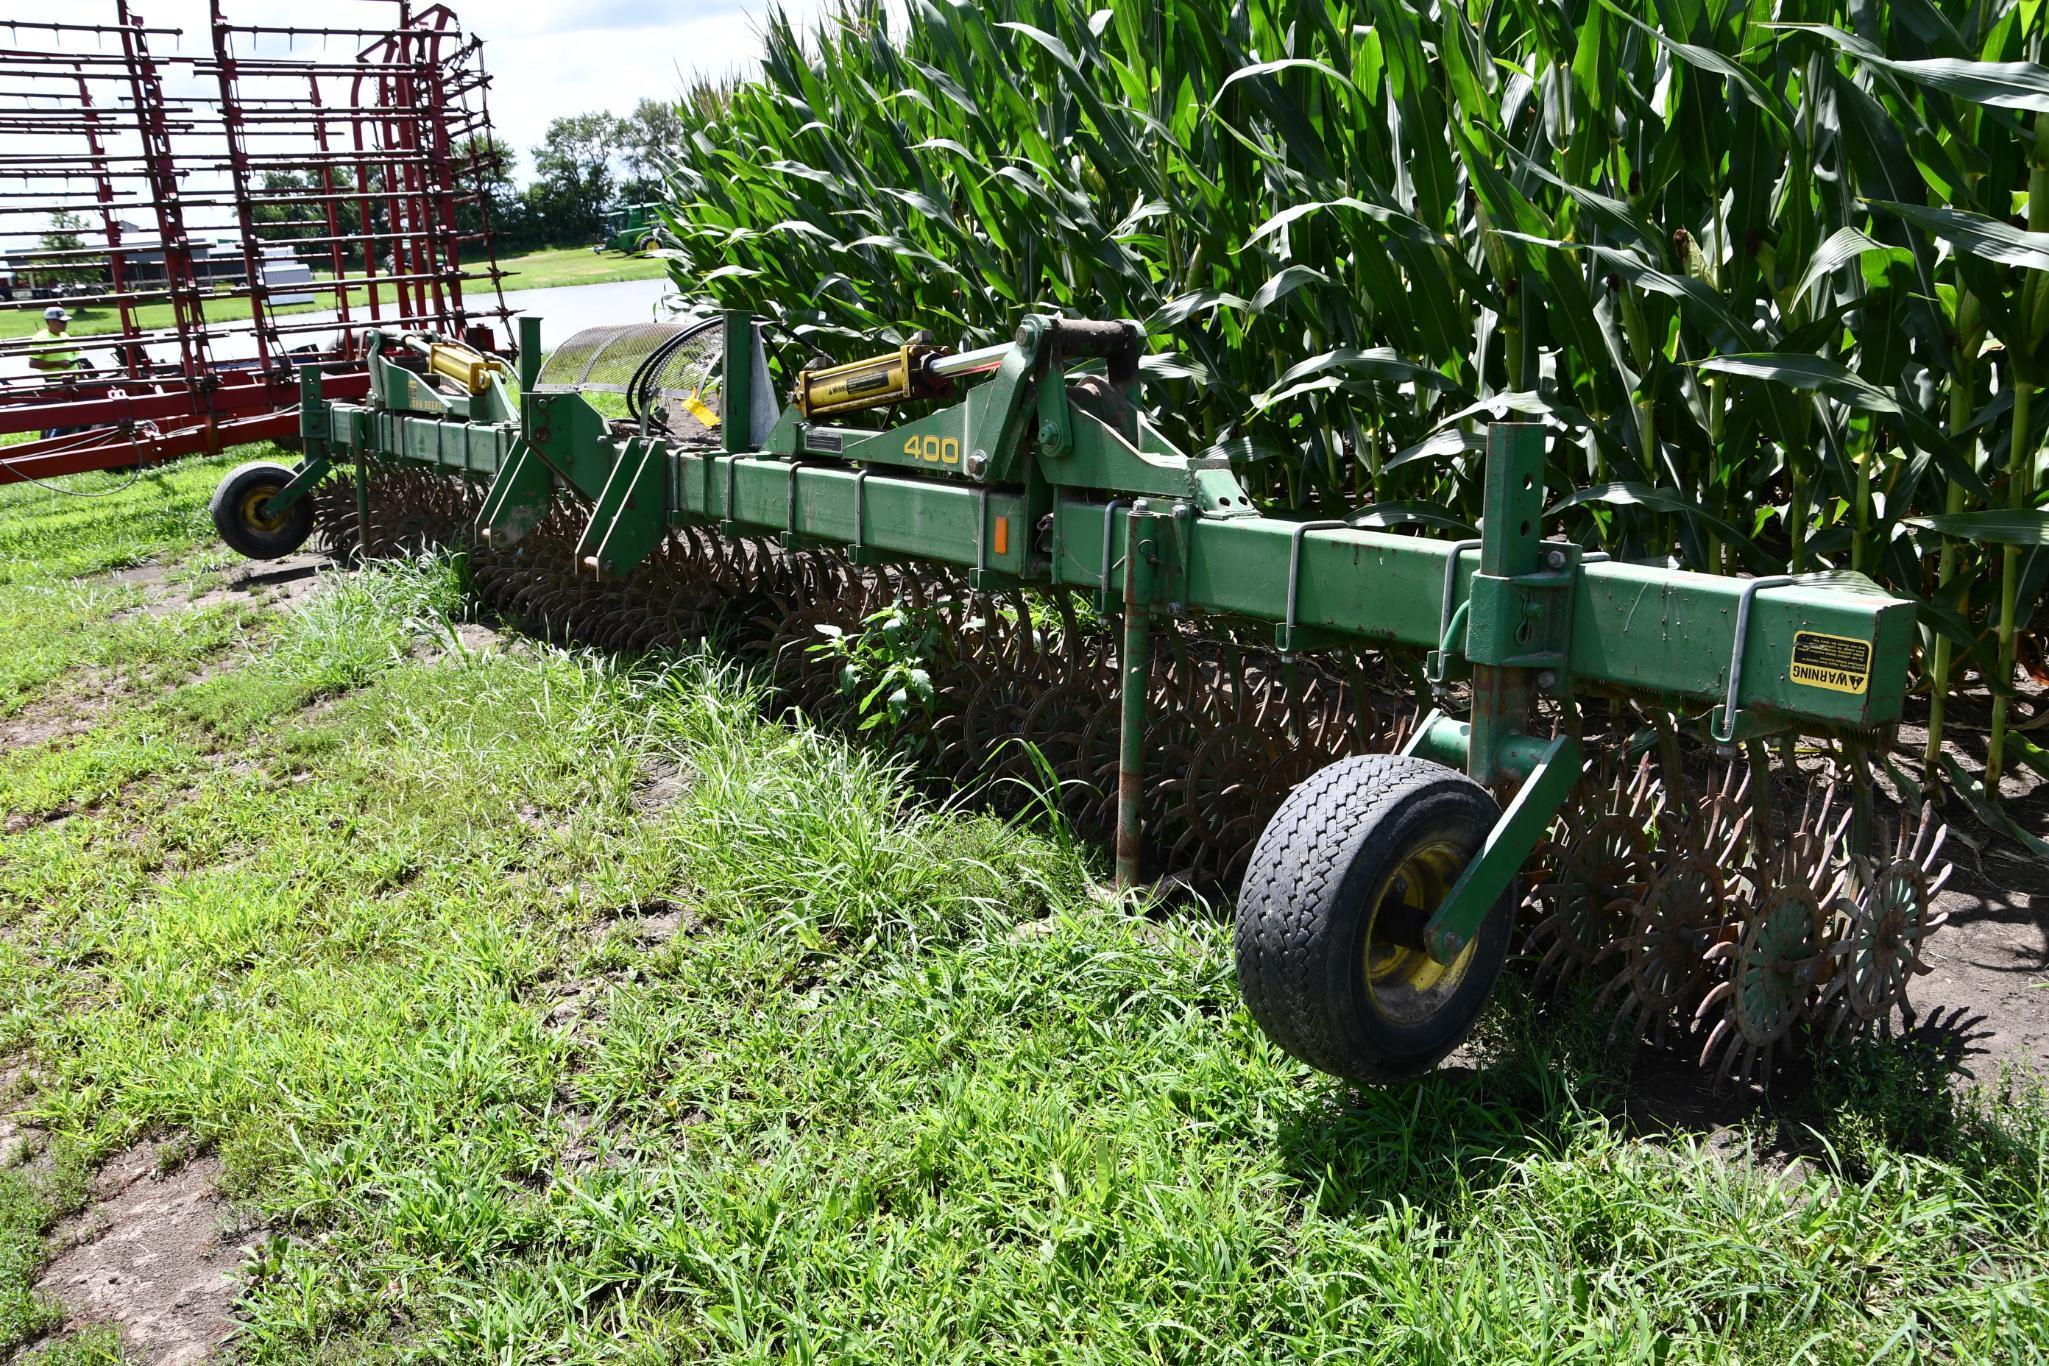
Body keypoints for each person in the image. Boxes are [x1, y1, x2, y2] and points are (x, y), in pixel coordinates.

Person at [28, 305, 87, 439]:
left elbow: (75, 356)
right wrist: (56, 363)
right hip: (56, 383)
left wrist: (82, 373)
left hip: (74, 382)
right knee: (65, 418)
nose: (65, 324)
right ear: (50, 322)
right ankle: (52, 443)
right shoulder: (41, 338)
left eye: (65, 321)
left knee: (83, 413)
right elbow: (32, 363)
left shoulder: (65, 335)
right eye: (62, 321)